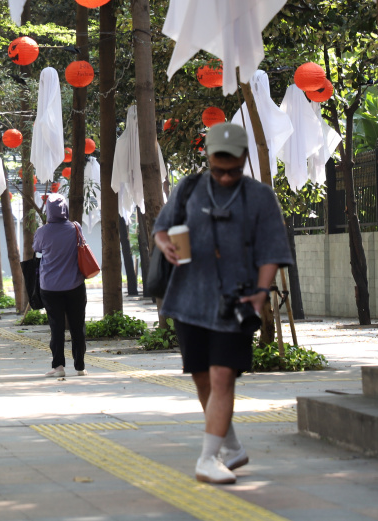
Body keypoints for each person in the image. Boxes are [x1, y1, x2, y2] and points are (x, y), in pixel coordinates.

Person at [153, 123, 293, 485]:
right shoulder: (189, 188)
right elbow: (162, 227)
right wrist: (165, 243)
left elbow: (272, 252)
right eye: (218, 170)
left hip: (237, 299)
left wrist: (262, 293)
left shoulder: (261, 197)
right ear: (208, 159)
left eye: (233, 170)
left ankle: (208, 458)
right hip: (189, 298)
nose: (226, 176)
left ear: (245, 159)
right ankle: (231, 447)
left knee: (222, 375)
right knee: (201, 376)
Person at [32, 194, 87, 378]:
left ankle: (58, 366)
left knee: (56, 327)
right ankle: (80, 366)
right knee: (77, 326)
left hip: (50, 288)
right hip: (75, 285)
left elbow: (37, 250)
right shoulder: (75, 227)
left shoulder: (42, 232)